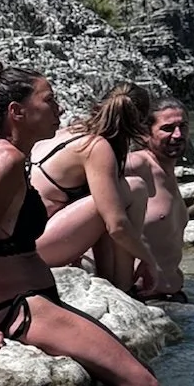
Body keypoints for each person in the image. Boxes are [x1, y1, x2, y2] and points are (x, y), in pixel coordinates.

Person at [0, 59, 160, 386]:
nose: (59, 108)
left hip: (30, 299)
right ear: (17, 111)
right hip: (19, 307)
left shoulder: (5, 154)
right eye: (49, 100)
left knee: (133, 377)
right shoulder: (2, 162)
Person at [26, 81, 165, 297]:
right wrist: (149, 260)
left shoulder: (69, 132)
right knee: (135, 188)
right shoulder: (95, 148)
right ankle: (123, 288)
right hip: (33, 250)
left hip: (21, 243)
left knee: (111, 196)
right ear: (140, 123)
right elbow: (117, 226)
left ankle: (113, 281)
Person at [125, 97, 193, 301]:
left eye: (183, 126)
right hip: (141, 298)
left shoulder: (167, 169)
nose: (178, 134)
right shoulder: (136, 164)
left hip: (173, 295)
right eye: (168, 128)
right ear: (145, 133)